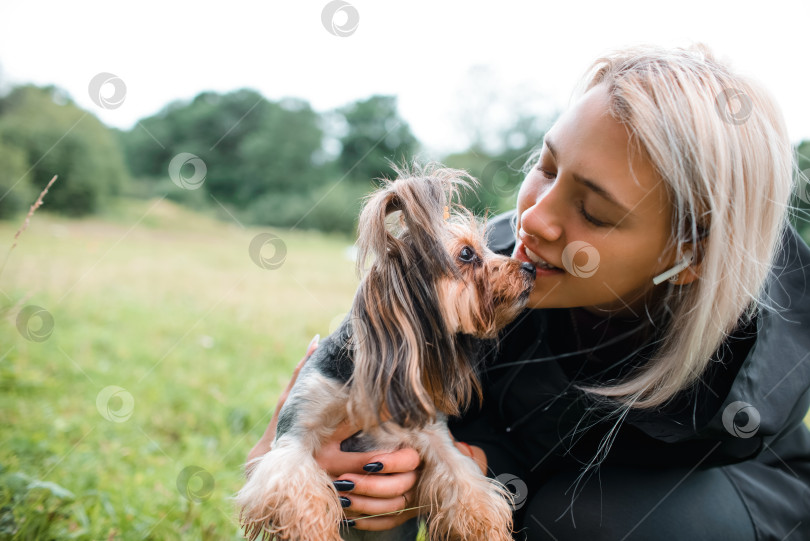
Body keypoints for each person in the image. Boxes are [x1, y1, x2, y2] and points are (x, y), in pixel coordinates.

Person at [247, 43, 810, 540]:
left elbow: (595, 461)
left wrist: (487, 471)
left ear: (688, 258)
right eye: (545, 166)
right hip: (537, 473)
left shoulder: (748, 370)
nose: (532, 222)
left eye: (592, 210)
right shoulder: (485, 272)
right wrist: (305, 445)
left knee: (582, 519)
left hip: (712, 490)